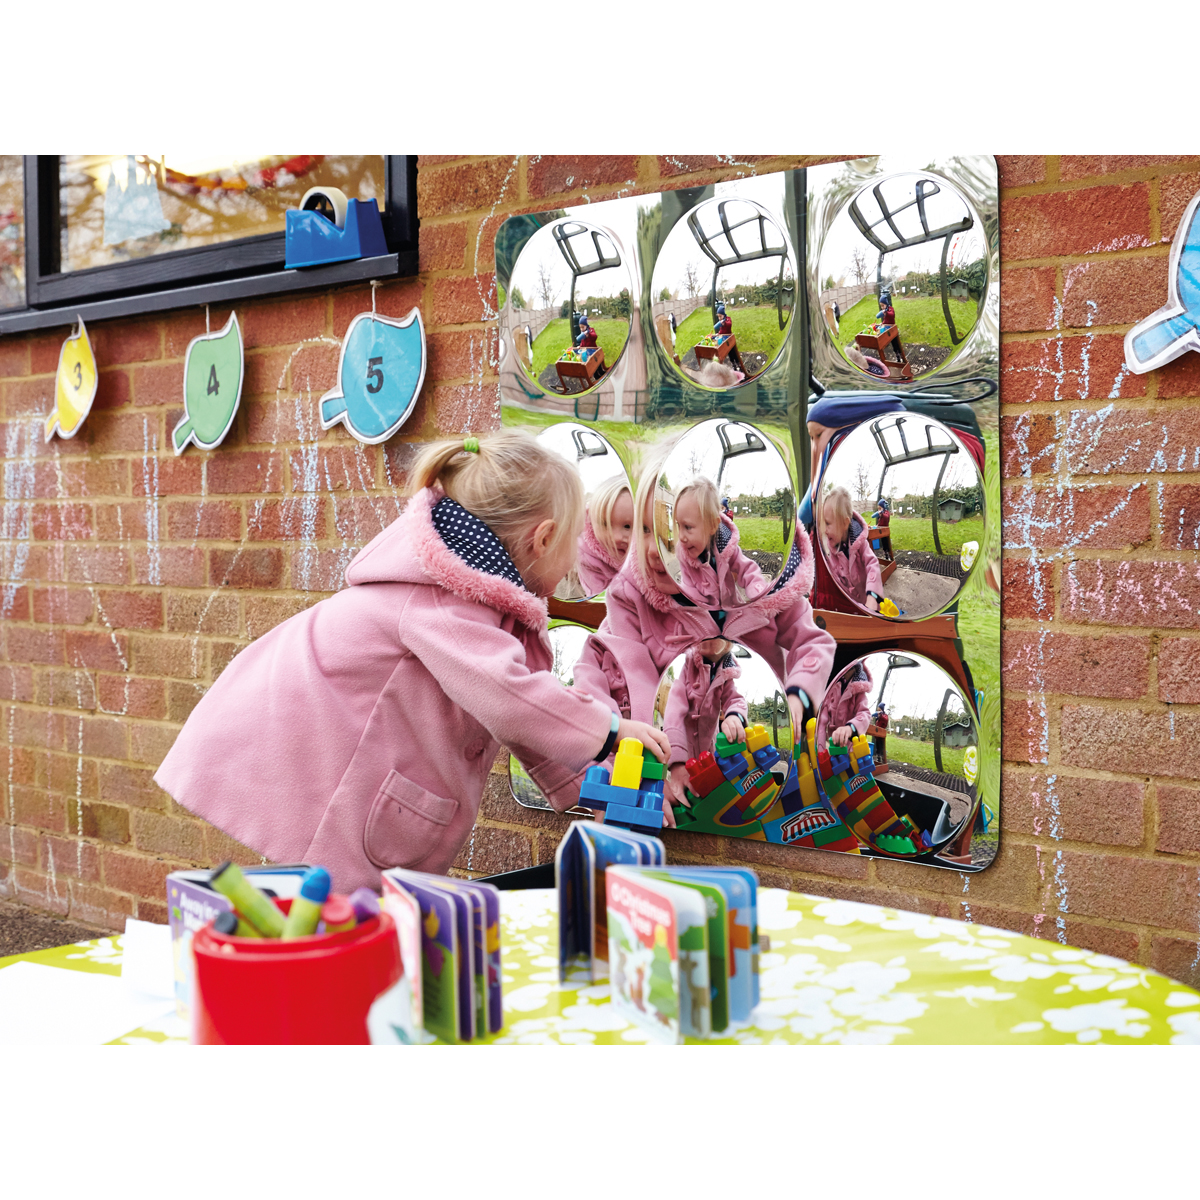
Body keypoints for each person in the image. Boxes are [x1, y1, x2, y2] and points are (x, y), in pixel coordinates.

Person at [154, 429, 668, 892]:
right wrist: (607, 731)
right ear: (544, 538)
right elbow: (511, 698)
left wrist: (590, 788)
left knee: (343, 911)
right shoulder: (443, 601)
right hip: (329, 766)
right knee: (351, 914)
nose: (576, 556)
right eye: (574, 541)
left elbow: (519, 707)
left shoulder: (470, 590)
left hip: (333, 754)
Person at [572, 444, 836, 825]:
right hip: (658, 752)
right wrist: (653, 768)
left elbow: (812, 642)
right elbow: (633, 680)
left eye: (669, 530)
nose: (652, 549)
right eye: (643, 530)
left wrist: (798, 698)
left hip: (733, 760)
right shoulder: (632, 593)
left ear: (705, 530)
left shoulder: (753, 586)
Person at [661, 638, 748, 802]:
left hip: (708, 744)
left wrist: (734, 716)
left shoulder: (725, 671)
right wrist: (677, 762)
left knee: (708, 786)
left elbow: (735, 699)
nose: (710, 637)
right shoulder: (687, 665)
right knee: (686, 787)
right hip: (685, 744)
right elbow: (674, 710)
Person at [673, 475, 766, 609]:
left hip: (731, 608)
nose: (681, 537)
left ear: (712, 526)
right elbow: (688, 587)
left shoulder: (726, 547)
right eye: (679, 525)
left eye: (687, 527)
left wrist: (757, 593)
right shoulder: (684, 553)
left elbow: (747, 570)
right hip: (702, 610)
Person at [819, 484, 885, 613]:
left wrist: (873, 596)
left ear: (845, 523)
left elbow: (872, 565)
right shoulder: (829, 549)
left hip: (867, 605)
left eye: (827, 523)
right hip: (847, 606)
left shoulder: (860, 543)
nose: (824, 530)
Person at [577, 474, 633, 596]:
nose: (616, 538)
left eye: (627, 526)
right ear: (591, 521)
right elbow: (602, 601)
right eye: (605, 524)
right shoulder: (588, 558)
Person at [816, 661, 873, 750]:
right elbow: (822, 721)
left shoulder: (858, 690)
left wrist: (850, 728)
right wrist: (820, 750)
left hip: (851, 748)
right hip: (834, 745)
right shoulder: (833, 687)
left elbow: (864, 714)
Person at [712, 302, 745, 372]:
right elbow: (721, 330)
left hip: (729, 338)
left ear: (724, 315)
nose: (719, 318)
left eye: (720, 316)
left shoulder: (728, 319)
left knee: (734, 352)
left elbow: (729, 324)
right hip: (725, 339)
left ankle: (738, 364)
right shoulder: (721, 322)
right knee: (730, 353)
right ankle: (733, 364)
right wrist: (718, 334)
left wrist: (724, 323)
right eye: (718, 317)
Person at [574, 314, 606, 378]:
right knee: (592, 364)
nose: (581, 329)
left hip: (593, 350)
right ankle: (596, 375)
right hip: (588, 352)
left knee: (597, 361)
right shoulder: (582, 334)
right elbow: (582, 342)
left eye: (583, 327)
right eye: (580, 327)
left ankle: (601, 371)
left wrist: (589, 335)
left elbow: (595, 336)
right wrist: (580, 346)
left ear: (586, 325)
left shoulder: (591, 330)